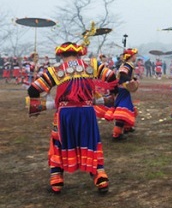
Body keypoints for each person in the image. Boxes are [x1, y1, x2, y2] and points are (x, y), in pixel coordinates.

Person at [26, 42, 117, 194]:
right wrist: (112, 93)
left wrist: (44, 102)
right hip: (87, 112)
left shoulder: (56, 70)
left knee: (58, 142)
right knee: (90, 142)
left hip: (65, 114)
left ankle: (57, 180)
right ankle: (100, 176)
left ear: (61, 55)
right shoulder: (92, 65)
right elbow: (111, 76)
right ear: (79, 53)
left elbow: (33, 89)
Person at [106, 48, 139, 140]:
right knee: (123, 110)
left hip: (123, 89)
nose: (136, 57)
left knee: (128, 108)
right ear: (131, 56)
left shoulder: (128, 65)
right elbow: (123, 74)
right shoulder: (127, 65)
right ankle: (116, 133)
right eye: (135, 55)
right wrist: (131, 80)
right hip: (123, 90)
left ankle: (127, 127)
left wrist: (133, 78)